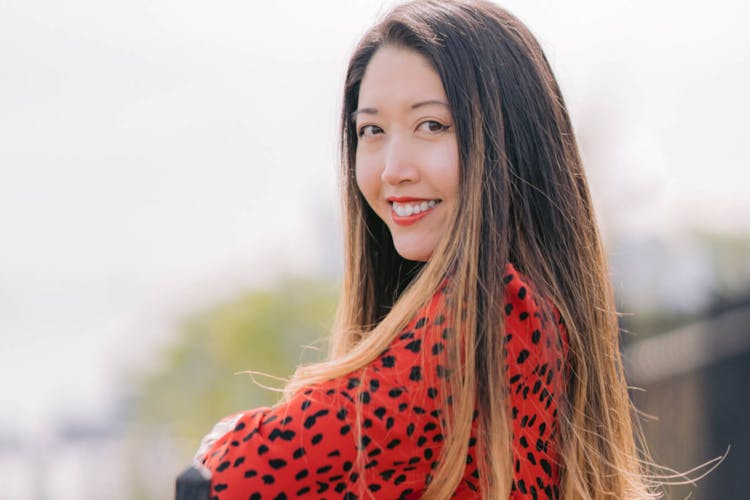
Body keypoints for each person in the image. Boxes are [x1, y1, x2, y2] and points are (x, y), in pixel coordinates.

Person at [193, 0, 661, 498]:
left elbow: (233, 476)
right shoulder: (519, 310)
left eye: (432, 125)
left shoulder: (490, 312)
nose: (394, 168)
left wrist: (218, 441)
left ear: (508, 141)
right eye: (371, 130)